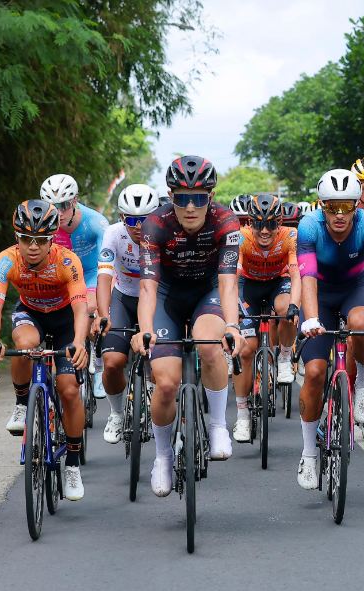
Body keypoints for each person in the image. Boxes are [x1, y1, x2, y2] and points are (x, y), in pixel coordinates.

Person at [129, 155, 245, 497]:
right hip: (167, 295)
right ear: (170, 197)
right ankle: (163, 456)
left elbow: (228, 283)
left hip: (208, 292)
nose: (191, 207)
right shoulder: (155, 225)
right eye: (182, 198)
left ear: (211, 197)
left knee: (209, 342)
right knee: (165, 383)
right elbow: (147, 288)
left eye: (199, 198)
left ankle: (218, 425)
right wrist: (145, 330)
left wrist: (232, 326)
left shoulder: (227, 222)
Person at [0, 200, 89, 500]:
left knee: (68, 389)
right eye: (26, 238)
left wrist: (79, 342)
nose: (33, 246)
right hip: (31, 314)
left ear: (52, 239)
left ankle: (72, 462)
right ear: (17, 237)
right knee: (24, 345)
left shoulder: (67, 262)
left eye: (41, 240)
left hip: (65, 319)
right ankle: (21, 403)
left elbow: (81, 308)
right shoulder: (6, 261)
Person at [295, 168, 364, 489]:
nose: (339, 214)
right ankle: (309, 453)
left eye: (346, 206)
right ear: (321, 205)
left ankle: (362, 383)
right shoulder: (308, 226)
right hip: (319, 295)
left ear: (356, 205)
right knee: (314, 372)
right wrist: (310, 319)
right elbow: (307, 278)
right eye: (332, 206)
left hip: (354, 289)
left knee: (363, 324)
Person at [92, 184, 159, 444]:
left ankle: (154, 400)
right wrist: (103, 314)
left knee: (158, 361)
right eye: (132, 220)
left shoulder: (164, 234)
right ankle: (116, 413)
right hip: (123, 298)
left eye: (145, 220)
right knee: (111, 363)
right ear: (122, 218)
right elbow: (104, 277)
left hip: (155, 299)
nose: (139, 226)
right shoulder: (113, 234)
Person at [232, 194, 301, 442]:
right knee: (246, 350)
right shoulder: (241, 237)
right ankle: (242, 415)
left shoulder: (290, 236)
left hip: (277, 282)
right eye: (258, 224)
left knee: (285, 310)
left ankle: (284, 357)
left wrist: (294, 306)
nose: (264, 231)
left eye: (271, 224)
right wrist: (233, 310)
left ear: (279, 223)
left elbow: (296, 274)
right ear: (250, 222)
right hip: (248, 285)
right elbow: (233, 277)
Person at [40, 173, 110, 398]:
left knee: (89, 308)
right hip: (62, 277)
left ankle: (98, 364)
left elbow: (108, 266)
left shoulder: (96, 223)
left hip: (90, 274)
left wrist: (100, 302)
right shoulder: (44, 224)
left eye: (64, 205)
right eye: (53, 207)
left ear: (75, 201)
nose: (59, 213)